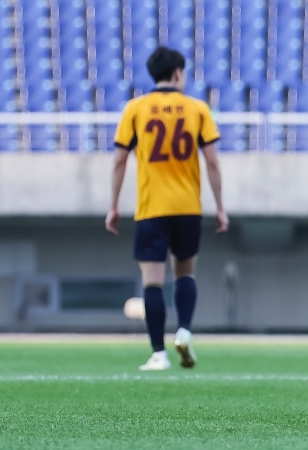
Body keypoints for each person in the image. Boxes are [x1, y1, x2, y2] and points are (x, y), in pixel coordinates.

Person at [106, 46, 228, 371]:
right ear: (177, 73)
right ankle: (184, 331)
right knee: (185, 273)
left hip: (151, 209)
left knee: (153, 281)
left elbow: (119, 160)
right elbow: (212, 162)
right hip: (187, 207)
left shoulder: (135, 108)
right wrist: (220, 207)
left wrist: (113, 205)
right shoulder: (197, 108)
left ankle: (158, 354)